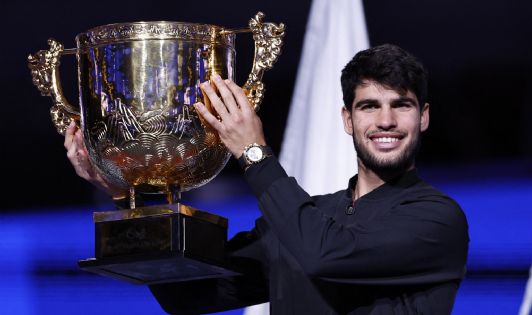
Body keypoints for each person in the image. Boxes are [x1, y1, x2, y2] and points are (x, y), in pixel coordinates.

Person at [65, 44, 469, 314]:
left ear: (424, 117)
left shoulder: (437, 219)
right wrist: (129, 192)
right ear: (348, 120)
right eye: (369, 106)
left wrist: (254, 153)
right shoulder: (305, 217)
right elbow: (187, 293)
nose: (385, 121)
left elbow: (322, 253)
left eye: (402, 105)